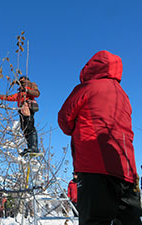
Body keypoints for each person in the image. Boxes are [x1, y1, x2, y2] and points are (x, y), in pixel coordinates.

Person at [58, 50, 142, 225]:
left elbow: (64, 121)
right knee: (129, 220)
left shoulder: (87, 88)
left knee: (95, 219)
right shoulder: (123, 95)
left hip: (94, 166)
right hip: (126, 168)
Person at [0, 76, 40, 156]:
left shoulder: (31, 85)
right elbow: (10, 97)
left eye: (22, 81)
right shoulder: (20, 93)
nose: (21, 82)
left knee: (29, 126)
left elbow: (37, 94)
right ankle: (30, 147)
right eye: (20, 81)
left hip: (28, 107)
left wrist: (27, 90)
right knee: (24, 128)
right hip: (22, 109)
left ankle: (34, 147)